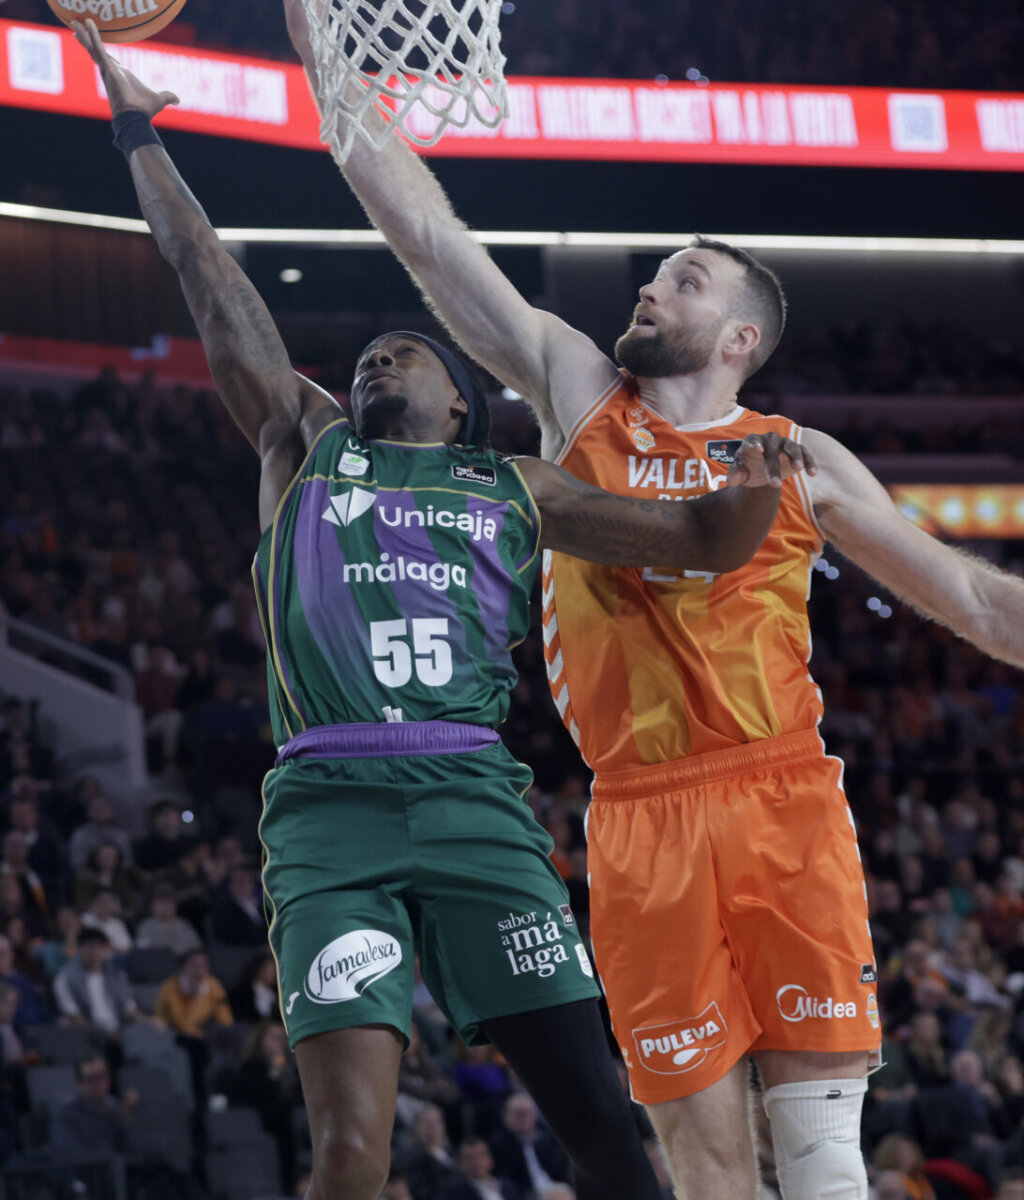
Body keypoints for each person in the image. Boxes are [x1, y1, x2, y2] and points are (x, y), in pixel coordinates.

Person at [282, 4, 1024, 1195]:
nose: (649, 287)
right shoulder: (581, 398)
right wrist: (333, 77)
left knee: (824, 1147)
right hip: (636, 813)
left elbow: (980, 609)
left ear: (736, 335)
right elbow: (430, 240)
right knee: (701, 1153)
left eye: (680, 280)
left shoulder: (799, 453)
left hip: (780, 792)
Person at [71, 20, 809, 1200]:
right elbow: (205, 277)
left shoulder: (511, 484)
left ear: (461, 409)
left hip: (475, 806)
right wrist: (135, 131)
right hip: (326, 815)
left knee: (612, 1145)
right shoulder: (302, 446)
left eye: (402, 354)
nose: (375, 363)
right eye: (365, 356)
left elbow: (688, 544)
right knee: (353, 1163)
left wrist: (747, 498)